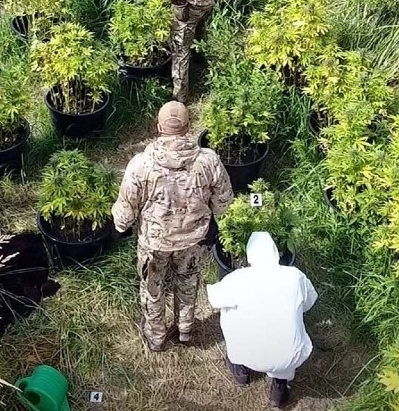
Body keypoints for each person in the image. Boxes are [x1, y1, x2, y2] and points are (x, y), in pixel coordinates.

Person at [112, 101, 233, 352]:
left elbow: (126, 208)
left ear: (158, 127)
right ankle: (185, 329)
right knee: (187, 283)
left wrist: (121, 227)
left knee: (152, 289)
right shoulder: (208, 161)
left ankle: (156, 337)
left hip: (154, 243)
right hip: (193, 240)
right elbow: (223, 202)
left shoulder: (141, 164)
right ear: (188, 127)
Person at [207, 232, 318, 408]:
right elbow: (309, 302)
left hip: (245, 352)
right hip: (289, 357)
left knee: (227, 310)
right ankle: (280, 388)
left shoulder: (237, 279)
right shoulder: (295, 276)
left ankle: (241, 371)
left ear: (250, 256)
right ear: (275, 253)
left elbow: (214, 300)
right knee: (287, 338)